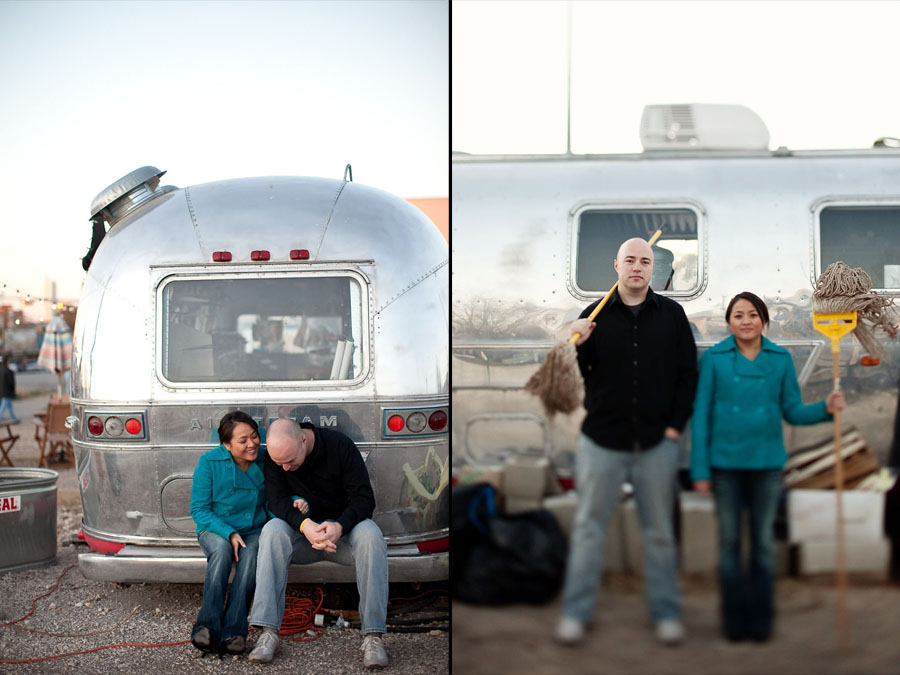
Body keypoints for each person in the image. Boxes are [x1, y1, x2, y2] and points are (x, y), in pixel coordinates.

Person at [555, 237, 698, 646]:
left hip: (656, 442)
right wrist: (570, 335)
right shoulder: (593, 316)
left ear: (653, 268)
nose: (637, 267)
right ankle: (576, 614)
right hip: (603, 440)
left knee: (659, 531)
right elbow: (571, 370)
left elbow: (687, 374)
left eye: (645, 261)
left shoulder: (672, 315)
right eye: (630, 260)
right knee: (588, 529)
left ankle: (666, 613)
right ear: (616, 265)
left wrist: (674, 428)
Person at [690, 291, 845, 642]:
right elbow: (701, 417)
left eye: (753, 314)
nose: (746, 321)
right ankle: (733, 621)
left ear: (764, 319)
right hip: (726, 465)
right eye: (738, 315)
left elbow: (793, 411)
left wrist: (825, 408)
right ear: (729, 322)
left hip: (766, 465)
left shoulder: (780, 359)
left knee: (761, 545)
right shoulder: (714, 359)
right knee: (729, 543)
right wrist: (700, 470)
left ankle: (761, 621)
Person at [247, 418, 389, 669]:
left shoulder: (340, 446)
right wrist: (304, 526)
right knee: (272, 530)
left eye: (291, 461)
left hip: (344, 535)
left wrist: (339, 526)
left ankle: (373, 636)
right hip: (304, 537)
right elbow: (277, 501)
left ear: (303, 439)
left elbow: (364, 499)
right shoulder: (276, 456)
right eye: (281, 464)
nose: (287, 469)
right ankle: (268, 632)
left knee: (371, 534)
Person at [189, 411, 269, 654]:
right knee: (222, 552)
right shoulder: (209, 462)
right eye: (243, 441)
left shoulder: (267, 459)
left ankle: (234, 630)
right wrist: (229, 532)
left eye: (254, 437)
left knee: (251, 555)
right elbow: (199, 510)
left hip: (255, 527)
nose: (252, 444)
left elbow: (282, 493)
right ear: (226, 444)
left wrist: (297, 502)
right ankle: (207, 626)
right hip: (216, 527)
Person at [0, 356, 20, 424]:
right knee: (3, 406)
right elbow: (11, 383)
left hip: (3, 391)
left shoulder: (1, 370)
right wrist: (13, 391)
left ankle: (14, 418)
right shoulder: (8, 371)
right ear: (7, 361)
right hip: (7, 392)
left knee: (9, 406)